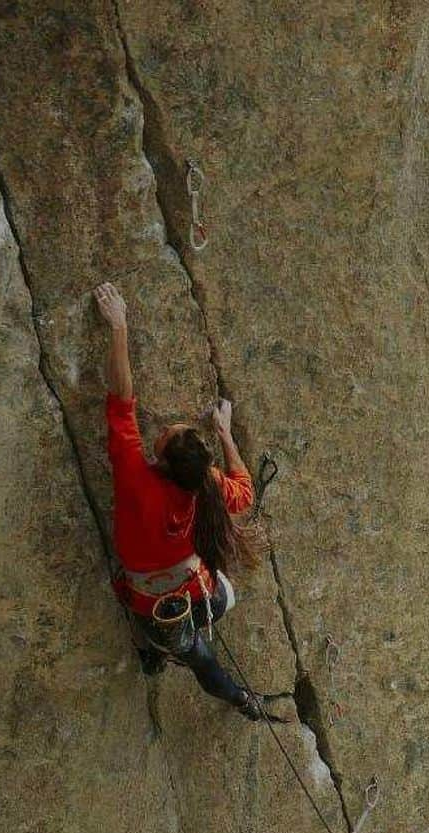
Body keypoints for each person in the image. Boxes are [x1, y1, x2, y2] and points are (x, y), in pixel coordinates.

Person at [94, 280, 268, 720]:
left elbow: (122, 399)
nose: (167, 427)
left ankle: (163, 658)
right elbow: (244, 492)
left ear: (165, 462)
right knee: (211, 617)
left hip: (153, 604)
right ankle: (221, 686)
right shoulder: (206, 486)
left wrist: (119, 327)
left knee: (183, 649)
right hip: (201, 593)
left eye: (166, 434)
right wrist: (226, 432)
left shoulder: (136, 479)